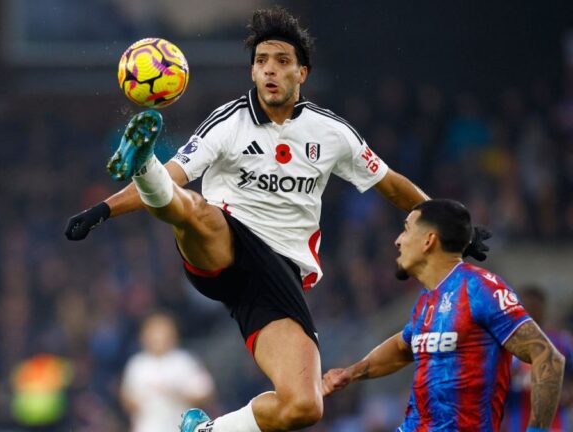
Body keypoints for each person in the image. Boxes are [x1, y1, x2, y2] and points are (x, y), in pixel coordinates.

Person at [66, 7, 488, 432]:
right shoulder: (227, 123)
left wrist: (453, 230)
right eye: (261, 61)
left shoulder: (332, 133)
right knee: (194, 210)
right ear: (252, 72)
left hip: (279, 277)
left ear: (301, 72)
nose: (270, 70)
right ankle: (143, 166)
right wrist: (103, 210)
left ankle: (206, 430)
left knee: (304, 407)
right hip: (225, 246)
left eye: (282, 61)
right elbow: (179, 176)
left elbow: (391, 184)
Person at [322, 199, 566, 431]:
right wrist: (351, 373)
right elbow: (403, 346)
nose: (397, 241)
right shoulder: (427, 299)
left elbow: (549, 358)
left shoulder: (480, 288)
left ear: (429, 240)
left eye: (406, 230)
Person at [120, 312, 215, 432]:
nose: (158, 338)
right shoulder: (137, 364)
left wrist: (177, 394)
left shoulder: (185, 361)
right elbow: (126, 398)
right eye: (153, 332)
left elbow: (206, 393)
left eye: (162, 332)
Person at [502, 286, 573, 432]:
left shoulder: (561, 342)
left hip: (555, 425)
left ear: (543, 309)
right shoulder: (508, 343)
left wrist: (568, 393)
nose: (532, 312)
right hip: (515, 422)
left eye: (536, 307)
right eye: (527, 307)